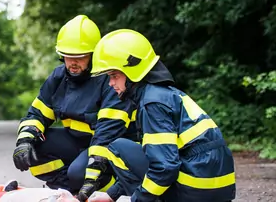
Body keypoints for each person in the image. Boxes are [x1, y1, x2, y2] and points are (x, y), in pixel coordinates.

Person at [86, 29, 236, 202]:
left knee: (118, 148)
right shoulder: (164, 94)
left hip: (194, 190)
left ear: (132, 71)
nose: (111, 83)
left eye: (114, 75)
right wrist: (111, 195)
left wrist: (136, 200)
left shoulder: (152, 104)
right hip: (217, 190)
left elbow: (164, 167)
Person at [12, 15, 138, 200]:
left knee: (80, 173)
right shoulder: (58, 77)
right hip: (77, 142)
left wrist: (92, 173)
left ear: (93, 55)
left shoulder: (109, 79)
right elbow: (36, 114)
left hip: (110, 147)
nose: (72, 62)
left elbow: (108, 133)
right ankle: (68, 192)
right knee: (34, 150)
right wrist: (24, 142)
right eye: (67, 56)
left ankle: (114, 192)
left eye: (79, 57)